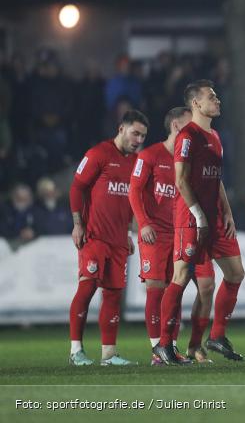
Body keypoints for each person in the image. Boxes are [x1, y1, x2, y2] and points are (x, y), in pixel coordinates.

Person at [154, 80, 245, 364]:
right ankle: (164, 344)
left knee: (235, 273)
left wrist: (227, 212)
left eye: (216, 96)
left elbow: (216, 179)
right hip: (191, 218)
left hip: (215, 217)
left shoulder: (215, 136)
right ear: (196, 103)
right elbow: (181, 180)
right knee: (180, 277)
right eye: (211, 97)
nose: (217, 100)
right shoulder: (187, 136)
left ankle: (216, 336)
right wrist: (198, 215)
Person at [129, 106, 216, 365]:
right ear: (176, 126)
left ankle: (172, 347)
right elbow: (134, 191)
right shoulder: (149, 155)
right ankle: (157, 350)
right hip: (155, 233)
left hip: (181, 232)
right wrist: (144, 223)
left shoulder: (189, 159)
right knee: (156, 291)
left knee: (174, 291)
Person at [68, 109, 148, 366]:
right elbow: (77, 187)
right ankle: (76, 351)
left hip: (118, 241)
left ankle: (109, 354)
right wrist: (77, 224)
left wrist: (128, 233)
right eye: (135, 133)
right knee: (87, 287)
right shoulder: (98, 154)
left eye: (143, 136)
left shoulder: (136, 162)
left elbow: (129, 202)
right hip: (94, 236)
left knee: (113, 295)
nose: (138, 140)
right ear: (121, 129)